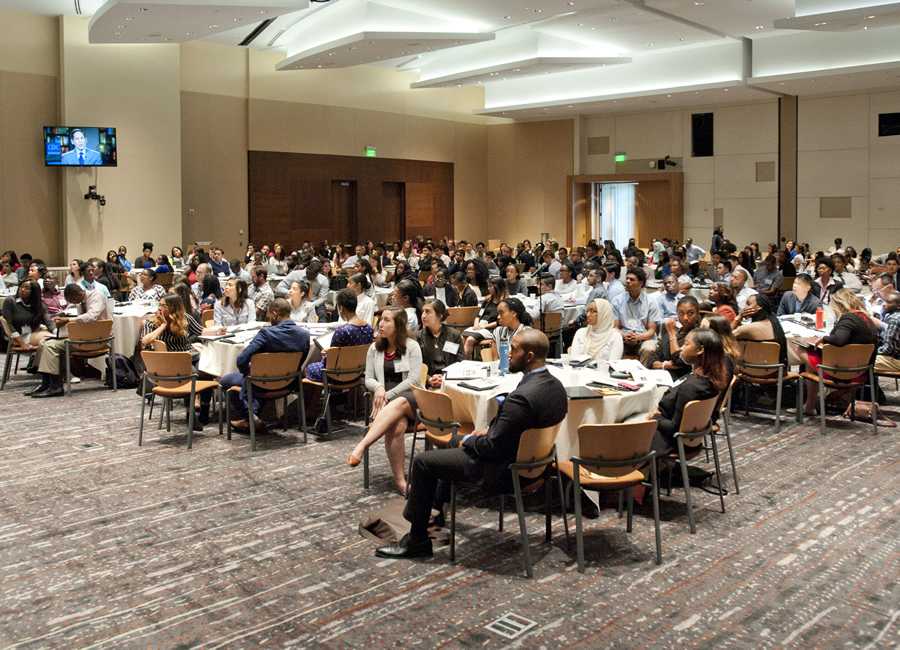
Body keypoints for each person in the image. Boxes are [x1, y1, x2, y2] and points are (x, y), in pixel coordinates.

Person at [374, 329, 566, 559]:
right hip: (536, 464)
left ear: (530, 355)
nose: (509, 353)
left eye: (514, 349)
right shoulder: (556, 387)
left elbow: (492, 447)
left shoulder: (521, 398)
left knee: (424, 462)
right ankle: (435, 508)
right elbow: (520, 430)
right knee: (451, 443)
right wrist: (490, 431)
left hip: (503, 470)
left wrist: (472, 438)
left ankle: (417, 540)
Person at [348, 308, 424, 495]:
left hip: (411, 400)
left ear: (398, 326)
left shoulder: (412, 346)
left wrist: (388, 394)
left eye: (387, 320)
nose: (381, 324)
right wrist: (379, 388)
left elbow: (414, 380)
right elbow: (368, 379)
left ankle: (363, 445)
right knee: (396, 427)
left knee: (398, 403)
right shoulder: (374, 348)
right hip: (384, 404)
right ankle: (400, 481)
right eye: (381, 320)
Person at [218, 299, 310, 431]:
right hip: (288, 383)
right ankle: (252, 418)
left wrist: (249, 374)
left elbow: (241, 360)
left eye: (269, 315)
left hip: (260, 383)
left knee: (226, 380)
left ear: (275, 313)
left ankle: (249, 417)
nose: (268, 319)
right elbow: (301, 361)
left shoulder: (266, 334)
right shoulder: (305, 335)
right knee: (258, 380)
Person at [791, 289, 878, 416]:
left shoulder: (848, 318)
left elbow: (839, 340)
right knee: (814, 358)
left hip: (840, 371)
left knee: (802, 349)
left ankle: (810, 405)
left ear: (839, 305)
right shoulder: (866, 319)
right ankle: (837, 397)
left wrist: (823, 338)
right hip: (860, 371)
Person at [649, 328, 731, 454]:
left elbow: (675, 428)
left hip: (670, 440)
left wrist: (655, 417)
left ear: (700, 350)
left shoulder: (691, 387)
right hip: (693, 436)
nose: (681, 348)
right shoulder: (712, 377)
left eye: (686, 344)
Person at [29, 284, 109, 398]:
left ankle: (56, 386)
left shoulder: (97, 296)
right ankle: (46, 384)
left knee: (51, 346)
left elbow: (92, 316)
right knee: (43, 343)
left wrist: (68, 319)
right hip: (83, 337)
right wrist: (64, 316)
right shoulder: (82, 301)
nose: (74, 303)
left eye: (73, 300)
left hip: (96, 339)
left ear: (79, 294)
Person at [305, 289, 373, 382]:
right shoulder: (369, 328)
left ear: (341, 308)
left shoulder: (342, 331)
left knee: (308, 367)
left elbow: (329, 361)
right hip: (357, 372)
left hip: (336, 374)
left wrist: (326, 354)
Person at [644, 296, 701, 377]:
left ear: (697, 313)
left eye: (690, 313)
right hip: (661, 374)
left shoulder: (699, 336)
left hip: (681, 379)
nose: (685, 318)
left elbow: (680, 361)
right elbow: (651, 359)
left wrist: (672, 334)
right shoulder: (673, 331)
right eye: (681, 313)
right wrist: (665, 365)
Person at [612, 267, 660, 359]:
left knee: (648, 349)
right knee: (611, 341)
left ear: (641, 283)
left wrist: (638, 337)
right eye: (627, 278)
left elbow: (651, 330)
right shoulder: (617, 300)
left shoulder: (651, 302)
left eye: (632, 279)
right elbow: (615, 327)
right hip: (623, 337)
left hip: (644, 338)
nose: (628, 281)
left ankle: (642, 373)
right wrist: (624, 335)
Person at [416, 300, 464, 386]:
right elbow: (416, 365)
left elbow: (460, 361)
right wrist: (429, 379)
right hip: (427, 384)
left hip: (451, 381)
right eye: (423, 311)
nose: (423, 315)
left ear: (439, 316)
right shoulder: (418, 337)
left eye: (427, 312)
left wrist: (446, 378)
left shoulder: (454, 335)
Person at [734, 293, 789, 367]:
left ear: (759, 307)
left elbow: (725, 337)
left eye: (748, 304)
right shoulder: (774, 321)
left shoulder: (747, 329)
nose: (744, 308)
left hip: (750, 371)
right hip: (776, 370)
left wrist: (738, 317)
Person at [1, 281, 54, 357]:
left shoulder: (39, 304)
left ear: (34, 292)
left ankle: (37, 365)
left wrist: (56, 332)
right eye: (21, 287)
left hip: (33, 334)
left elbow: (49, 322)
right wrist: (22, 343)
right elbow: (9, 324)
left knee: (54, 340)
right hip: (18, 337)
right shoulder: (10, 301)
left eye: (27, 288)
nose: (22, 289)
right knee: (48, 339)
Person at [462, 278, 506, 358]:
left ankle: (466, 362)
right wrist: (476, 324)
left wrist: (483, 326)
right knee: (462, 337)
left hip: (491, 329)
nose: (488, 288)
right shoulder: (487, 301)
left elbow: (499, 322)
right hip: (479, 327)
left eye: (490, 286)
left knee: (470, 340)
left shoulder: (503, 303)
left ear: (498, 287)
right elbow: (478, 315)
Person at [569, 298, 623, 362]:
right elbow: (574, 359)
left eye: (593, 311)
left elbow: (613, 364)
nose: (588, 315)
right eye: (587, 311)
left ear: (604, 314)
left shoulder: (615, 337)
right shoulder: (581, 333)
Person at [874, 291, 900, 375]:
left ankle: (871, 388)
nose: (884, 304)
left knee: (863, 362)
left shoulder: (894, 319)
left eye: (888, 302)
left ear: (898, 306)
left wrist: (872, 351)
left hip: (896, 361)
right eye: (884, 301)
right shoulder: (892, 316)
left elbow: (888, 349)